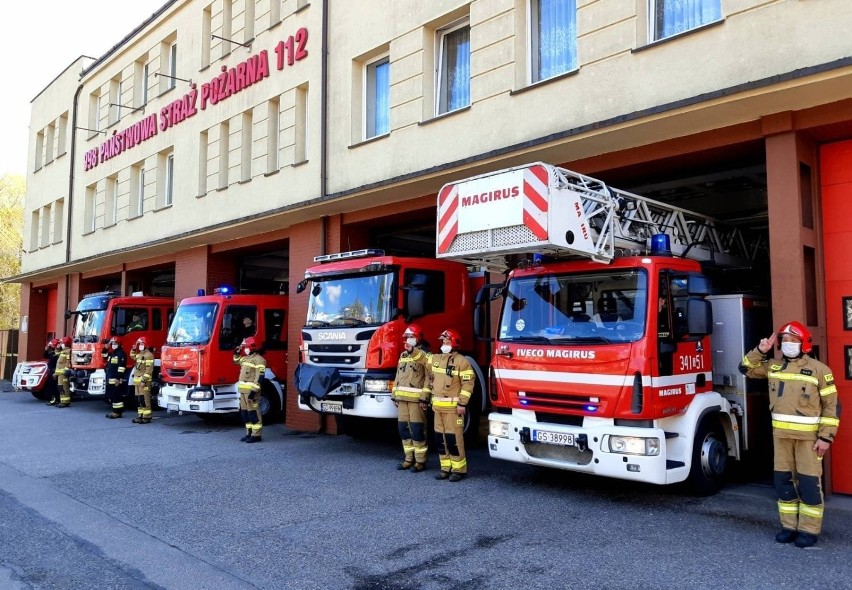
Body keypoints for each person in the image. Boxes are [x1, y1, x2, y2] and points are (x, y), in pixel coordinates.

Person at [738, 321, 839, 548]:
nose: (787, 344)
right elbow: (745, 368)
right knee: (784, 483)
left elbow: (831, 407)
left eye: (792, 340)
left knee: (808, 484)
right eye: (784, 341)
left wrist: (826, 437)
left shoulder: (820, 370)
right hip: (781, 437)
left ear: (804, 344)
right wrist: (761, 351)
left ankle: (808, 530)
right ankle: (789, 527)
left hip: (810, 441)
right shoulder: (773, 367)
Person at [427, 328, 475, 482]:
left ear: (454, 343)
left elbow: (468, 384)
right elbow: (421, 361)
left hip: (454, 409)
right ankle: (445, 468)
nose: (443, 344)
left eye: (446, 342)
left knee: (454, 440)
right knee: (440, 440)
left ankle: (458, 470)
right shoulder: (435, 359)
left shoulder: (462, 361)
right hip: (438, 408)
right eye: (442, 342)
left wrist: (462, 403)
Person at [391, 324, 431, 472]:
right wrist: (394, 395)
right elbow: (398, 377)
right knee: (404, 430)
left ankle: (420, 462)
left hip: (417, 401)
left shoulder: (426, 355)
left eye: (410, 337)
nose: (407, 340)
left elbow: (429, 378)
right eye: (406, 337)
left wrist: (424, 398)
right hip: (402, 400)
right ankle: (408, 459)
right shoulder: (403, 355)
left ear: (418, 338)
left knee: (417, 430)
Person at [234, 336, 266, 443]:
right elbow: (236, 360)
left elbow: (259, 377)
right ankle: (249, 433)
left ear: (252, 347)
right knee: (245, 414)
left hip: (251, 392)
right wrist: (237, 352)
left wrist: (254, 391)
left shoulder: (259, 360)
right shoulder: (246, 358)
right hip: (243, 392)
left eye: (245, 347)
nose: (244, 349)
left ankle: (256, 435)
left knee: (253, 413)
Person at [131, 336, 155, 424]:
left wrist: (144, 381)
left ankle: (147, 417)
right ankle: (140, 416)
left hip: (143, 382)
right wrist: (133, 349)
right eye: (139, 344)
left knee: (145, 399)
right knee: (139, 399)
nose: (140, 345)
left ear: (146, 344)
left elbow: (149, 370)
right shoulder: (140, 354)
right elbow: (133, 356)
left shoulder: (149, 355)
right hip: (137, 381)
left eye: (141, 344)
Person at [104, 338, 128, 419]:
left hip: (116, 379)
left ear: (119, 344)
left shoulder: (121, 354)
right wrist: (105, 348)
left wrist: (118, 378)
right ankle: (115, 411)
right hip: (110, 379)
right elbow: (104, 356)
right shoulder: (112, 353)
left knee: (117, 396)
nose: (113, 345)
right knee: (113, 396)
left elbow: (121, 367)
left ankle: (117, 412)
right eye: (112, 343)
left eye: (115, 343)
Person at [53, 337, 73, 408]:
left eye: (62, 343)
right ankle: (62, 401)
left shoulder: (68, 351)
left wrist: (66, 370)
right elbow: (56, 354)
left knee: (64, 388)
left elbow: (68, 362)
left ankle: (66, 402)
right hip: (60, 374)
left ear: (65, 344)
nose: (61, 344)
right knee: (60, 387)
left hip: (63, 374)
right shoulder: (63, 351)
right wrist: (57, 348)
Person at [43, 338, 60, 405]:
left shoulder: (57, 354)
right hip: (51, 372)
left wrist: (55, 373)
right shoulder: (53, 353)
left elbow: (55, 361)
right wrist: (46, 350)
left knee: (54, 387)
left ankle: (56, 399)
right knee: (51, 387)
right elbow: (46, 356)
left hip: (54, 372)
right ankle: (53, 399)